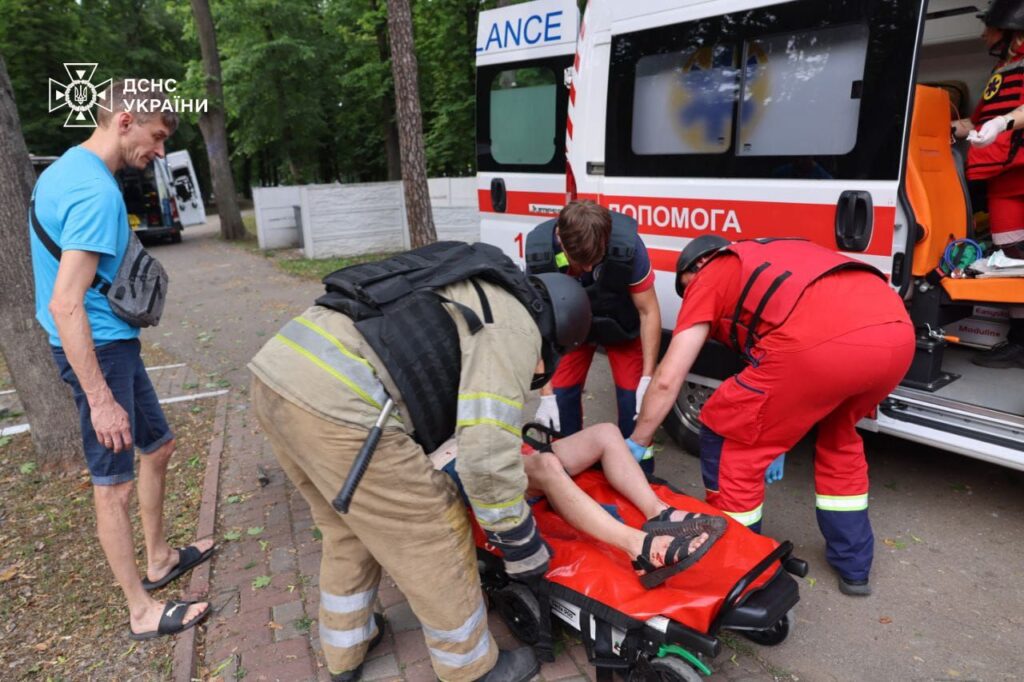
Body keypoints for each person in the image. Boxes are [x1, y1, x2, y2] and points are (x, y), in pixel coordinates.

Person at [248, 241, 591, 682]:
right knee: (433, 525)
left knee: (348, 526)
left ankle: (347, 646)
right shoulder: (516, 324)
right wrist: (520, 544)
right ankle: (471, 668)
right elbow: (487, 457)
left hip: (279, 374)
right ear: (557, 333)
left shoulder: (473, 282)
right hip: (339, 402)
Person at [630, 236, 915, 597]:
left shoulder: (713, 272)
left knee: (727, 433)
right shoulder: (770, 257)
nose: (692, 298)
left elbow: (668, 379)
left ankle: (737, 568)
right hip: (896, 336)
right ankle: (854, 567)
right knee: (839, 437)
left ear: (698, 265)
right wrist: (779, 436)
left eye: (687, 289)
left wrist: (639, 439)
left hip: (823, 345)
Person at [30, 81, 213, 640]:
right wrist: (101, 400)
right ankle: (141, 611)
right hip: (98, 351)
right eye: (156, 138)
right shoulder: (95, 191)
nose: (159, 151)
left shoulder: (65, 168)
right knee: (114, 485)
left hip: (113, 342)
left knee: (159, 446)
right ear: (125, 120)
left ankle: (159, 560)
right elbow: (65, 304)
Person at [431, 423, 726, 590]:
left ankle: (659, 512)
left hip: (498, 442)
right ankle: (639, 548)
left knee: (606, 432)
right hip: (456, 460)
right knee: (547, 465)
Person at [525, 201, 662, 452]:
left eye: (594, 259)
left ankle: (638, 465)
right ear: (560, 238)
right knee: (560, 400)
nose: (588, 269)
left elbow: (648, 311)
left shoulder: (628, 246)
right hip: (572, 327)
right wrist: (546, 393)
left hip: (621, 323)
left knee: (634, 402)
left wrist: (648, 378)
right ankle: (566, 464)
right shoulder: (541, 254)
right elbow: (537, 324)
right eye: (580, 261)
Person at [952, 0, 1024, 368]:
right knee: (1011, 260)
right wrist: (942, 126)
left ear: (1010, 28)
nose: (983, 34)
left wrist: (1002, 123)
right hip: (1003, 178)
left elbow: (1003, 119)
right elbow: (977, 122)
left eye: (989, 26)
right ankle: (1020, 343)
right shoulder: (1001, 70)